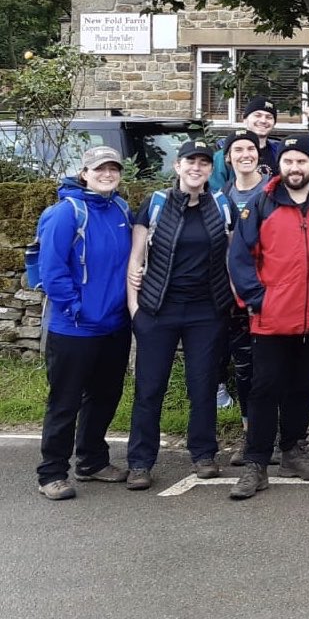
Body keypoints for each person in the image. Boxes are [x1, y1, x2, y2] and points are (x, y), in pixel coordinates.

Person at [227, 137, 309, 499]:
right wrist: (259, 299)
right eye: (288, 161)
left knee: (302, 387)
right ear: (280, 165)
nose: (294, 168)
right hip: (273, 316)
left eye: (301, 160)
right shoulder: (262, 202)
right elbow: (240, 256)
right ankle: (256, 463)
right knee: (265, 389)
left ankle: (293, 451)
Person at [125, 139, 238, 491]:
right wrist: (135, 309)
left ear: (210, 169)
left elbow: (232, 259)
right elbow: (136, 258)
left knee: (203, 385)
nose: (197, 168)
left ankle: (203, 455)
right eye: (191, 161)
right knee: (149, 388)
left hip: (207, 311)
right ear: (177, 166)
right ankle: (140, 463)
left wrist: (232, 302)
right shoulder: (155, 204)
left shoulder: (222, 204)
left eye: (204, 163)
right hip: (159, 309)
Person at [34, 146, 134, 500]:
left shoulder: (121, 208)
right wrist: (75, 308)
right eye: (100, 169)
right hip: (73, 327)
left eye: (113, 169)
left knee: (105, 396)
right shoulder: (66, 213)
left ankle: (92, 461)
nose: (107, 174)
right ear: (84, 173)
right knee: (65, 401)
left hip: (114, 325)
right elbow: (52, 269)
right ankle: (52, 473)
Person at [217, 128, 267, 459]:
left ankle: (283, 435)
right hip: (234, 297)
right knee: (245, 367)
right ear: (229, 158)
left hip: (272, 293)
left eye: (250, 148)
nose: (245, 154)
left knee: (276, 366)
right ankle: (251, 436)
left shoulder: (273, 193)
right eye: (238, 149)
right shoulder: (220, 198)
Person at [209, 96, 309, 190]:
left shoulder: (280, 151)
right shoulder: (225, 155)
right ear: (245, 119)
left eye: (269, 117)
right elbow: (216, 193)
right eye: (257, 115)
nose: (263, 120)